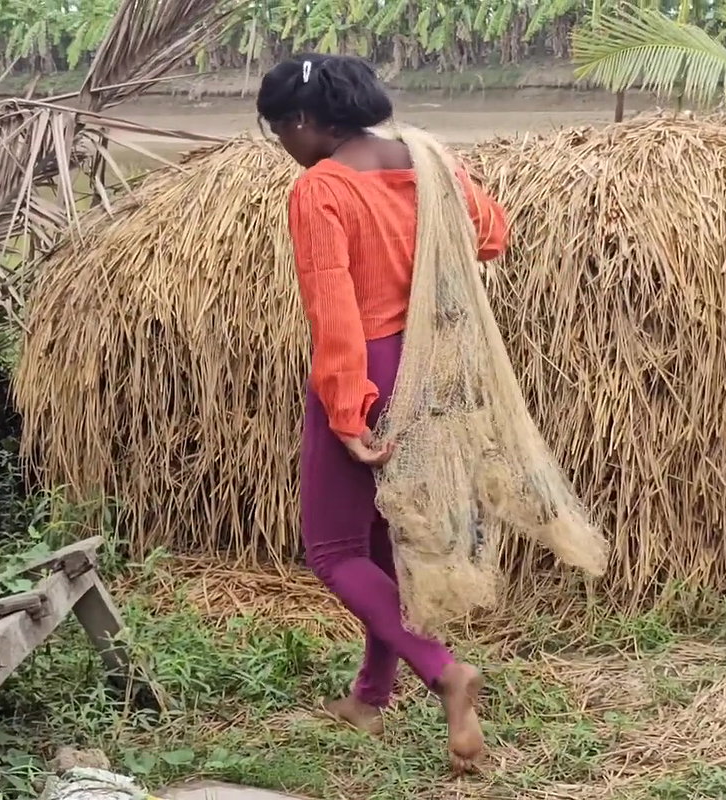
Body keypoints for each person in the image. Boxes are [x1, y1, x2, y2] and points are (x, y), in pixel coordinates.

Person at [255, 53, 510, 775]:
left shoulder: (323, 189)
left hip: (370, 367)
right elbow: (492, 235)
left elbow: (332, 307)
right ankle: (369, 696)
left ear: (304, 121)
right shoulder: (428, 160)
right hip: (432, 368)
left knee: (333, 552)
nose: (283, 147)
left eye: (279, 130)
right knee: (378, 542)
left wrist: (346, 407)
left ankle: (444, 672)